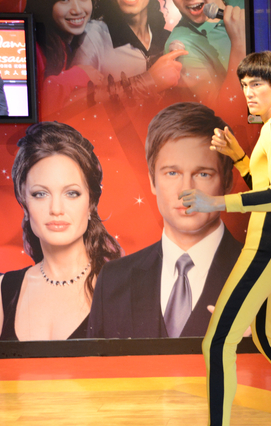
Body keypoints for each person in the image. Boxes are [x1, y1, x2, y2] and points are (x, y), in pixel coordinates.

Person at [162, 51, 271, 426]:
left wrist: (216, 202)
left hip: (267, 251)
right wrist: (241, 158)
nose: (248, 93)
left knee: (216, 343)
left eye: (257, 86)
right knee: (266, 337)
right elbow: (269, 187)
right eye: (245, 85)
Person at [88, 102, 242, 339]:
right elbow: (95, 375)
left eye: (203, 174)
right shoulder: (112, 281)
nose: (186, 191)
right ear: (152, 181)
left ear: (228, 182)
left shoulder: (265, 274)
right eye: (172, 173)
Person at [0, 122, 121, 342]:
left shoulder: (123, 288)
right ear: (24, 203)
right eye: (40, 194)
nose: (56, 209)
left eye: (72, 193)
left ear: (91, 203)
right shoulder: (2, 291)